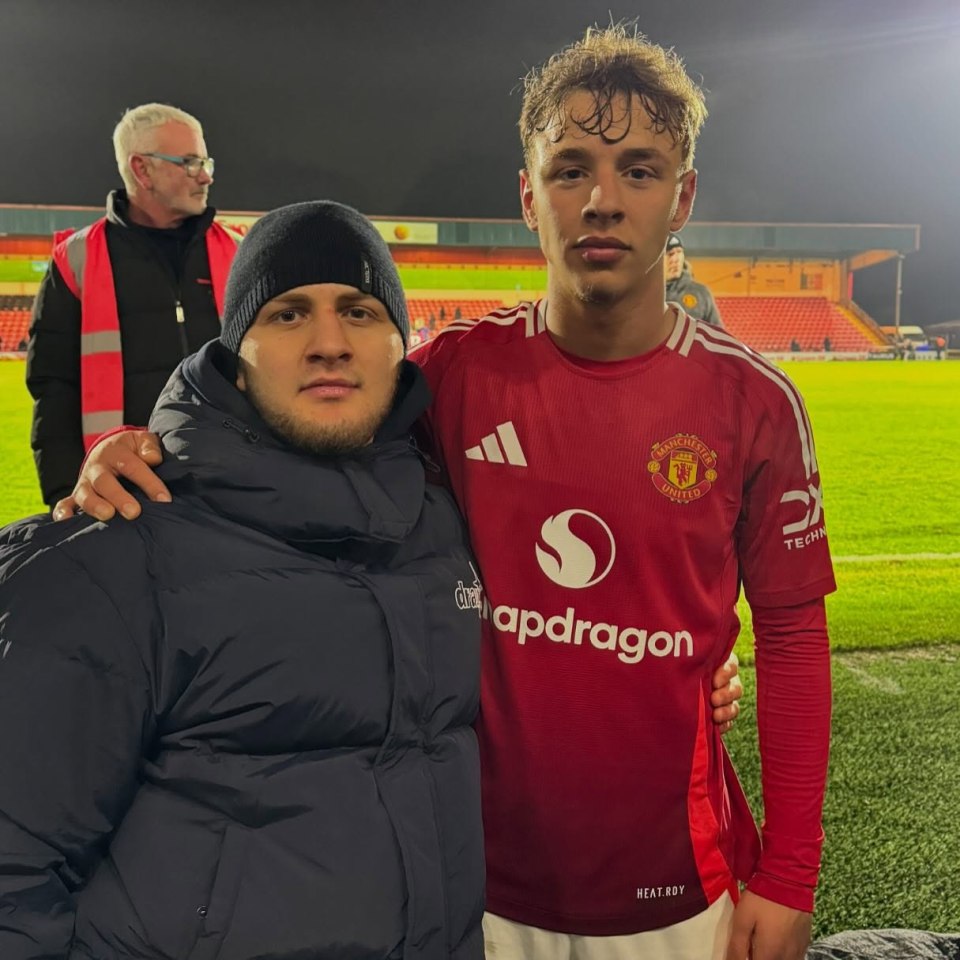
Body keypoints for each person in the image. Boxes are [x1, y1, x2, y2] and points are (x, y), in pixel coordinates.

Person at [58, 27, 795, 960]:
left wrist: (779, 846)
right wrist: (141, 447)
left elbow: (786, 633)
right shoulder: (454, 377)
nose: (602, 199)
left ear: (682, 194)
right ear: (527, 194)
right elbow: (283, 432)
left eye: (639, 170)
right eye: (570, 169)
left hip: (659, 884)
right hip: (471, 881)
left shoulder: (746, 401)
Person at [0, 202, 486, 958]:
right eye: (288, 314)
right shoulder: (116, 553)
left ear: (401, 345)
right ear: (235, 350)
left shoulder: (442, 524)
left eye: (359, 311)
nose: (329, 343)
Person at [25, 102, 240, 510]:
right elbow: (53, 389)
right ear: (142, 170)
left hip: (227, 488)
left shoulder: (238, 252)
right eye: (191, 163)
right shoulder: (75, 259)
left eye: (206, 162)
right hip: (118, 494)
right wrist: (65, 494)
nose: (206, 176)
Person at [665, 232, 724, 326]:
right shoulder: (643, 294)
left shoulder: (701, 293)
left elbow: (718, 335)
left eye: (679, 252)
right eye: (670, 254)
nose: (676, 259)